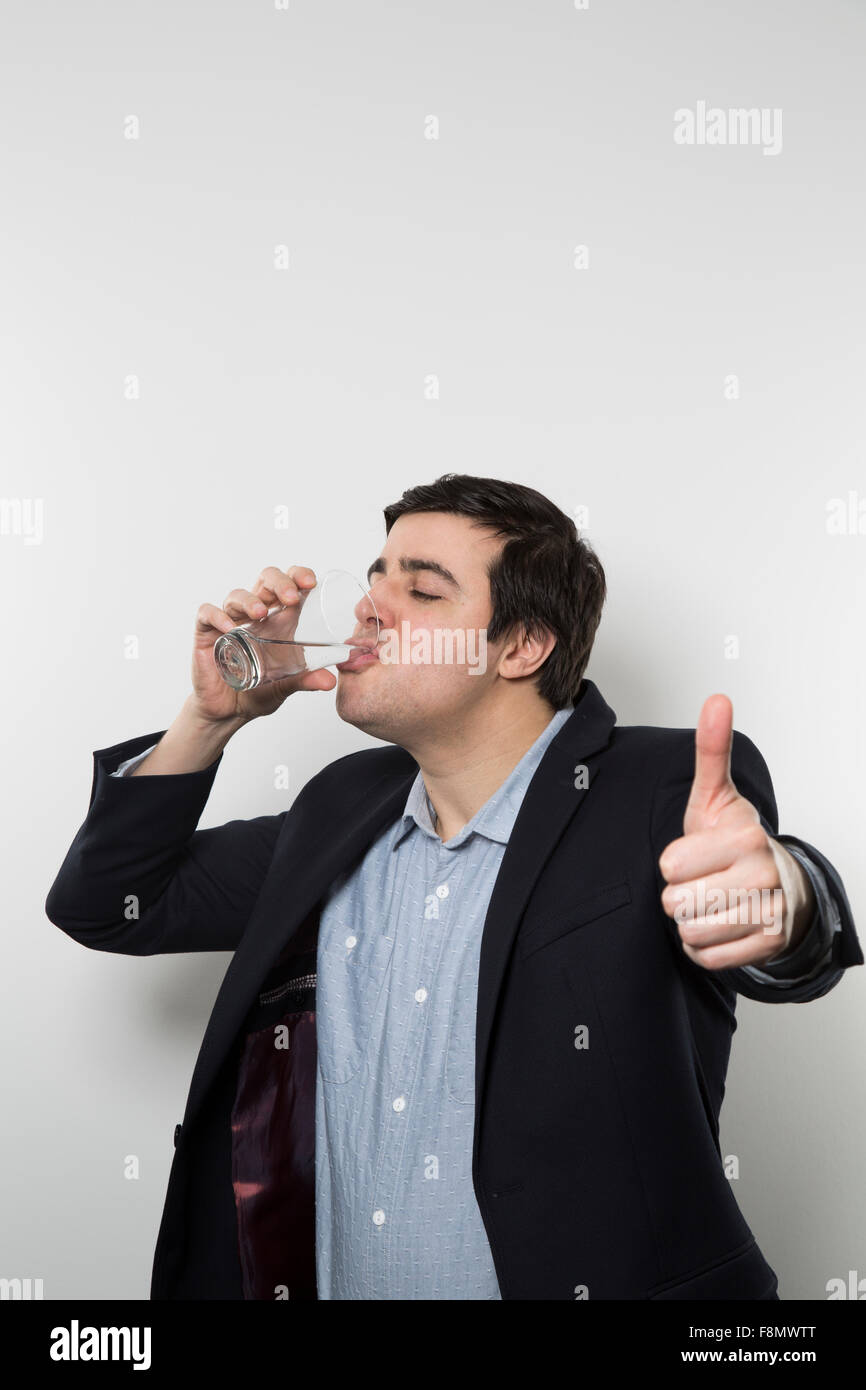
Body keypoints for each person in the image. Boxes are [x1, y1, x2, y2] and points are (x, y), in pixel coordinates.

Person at [45, 474, 862, 1300]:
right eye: (375, 575)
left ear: (521, 647)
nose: (368, 605)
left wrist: (780, 902)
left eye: (420, 588)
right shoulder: (340, 807)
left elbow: (787, 926)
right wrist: (212, 718)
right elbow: (112, 901)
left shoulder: (661, 787)